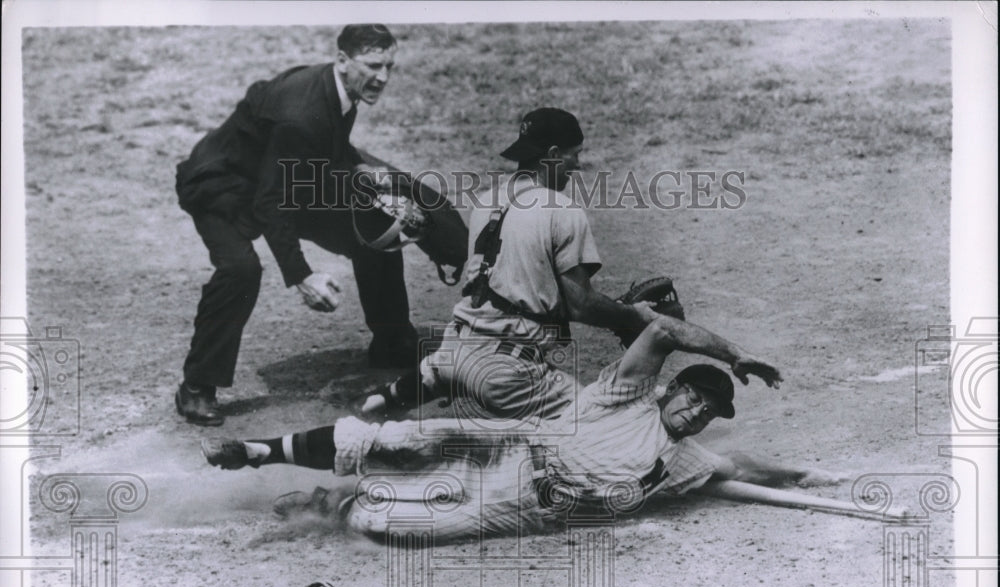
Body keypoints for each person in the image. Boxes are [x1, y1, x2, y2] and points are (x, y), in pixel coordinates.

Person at [201, 315, 841, 541]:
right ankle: (259, 450)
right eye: (695, 396)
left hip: (519, 505)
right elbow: (664, 332)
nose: (698, 410)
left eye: (709, 410)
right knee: (394, 439)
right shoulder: (626, 395)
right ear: (673, 388)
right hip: (507, 444)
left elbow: (744, 471)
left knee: (387, 525)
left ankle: (328, 506)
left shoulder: (687, 462)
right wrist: (735, 357)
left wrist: (813, 477)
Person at [174, 24, 467, 426]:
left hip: (287, 177)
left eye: (389, 66)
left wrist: (369, 180)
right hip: (223, 187)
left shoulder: (340, 89)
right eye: (373, 65)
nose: (382, 77)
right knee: (240, 271)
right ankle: (197, 387)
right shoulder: (299, 114)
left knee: (373, 224)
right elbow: (270, 202)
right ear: (343, 60)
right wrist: (301, 275)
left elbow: (318, 156)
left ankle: (393, 340)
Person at [359, 107, 661, 423]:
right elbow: (581, 305)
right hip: (506, 375)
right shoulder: (562, 209)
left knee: (457, 360)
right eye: (575, 155)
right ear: (554, 154)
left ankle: (389, 398)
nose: (578, 165)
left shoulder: (485, 201)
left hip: (456, 347)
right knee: (604, 426)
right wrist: (630, 316)